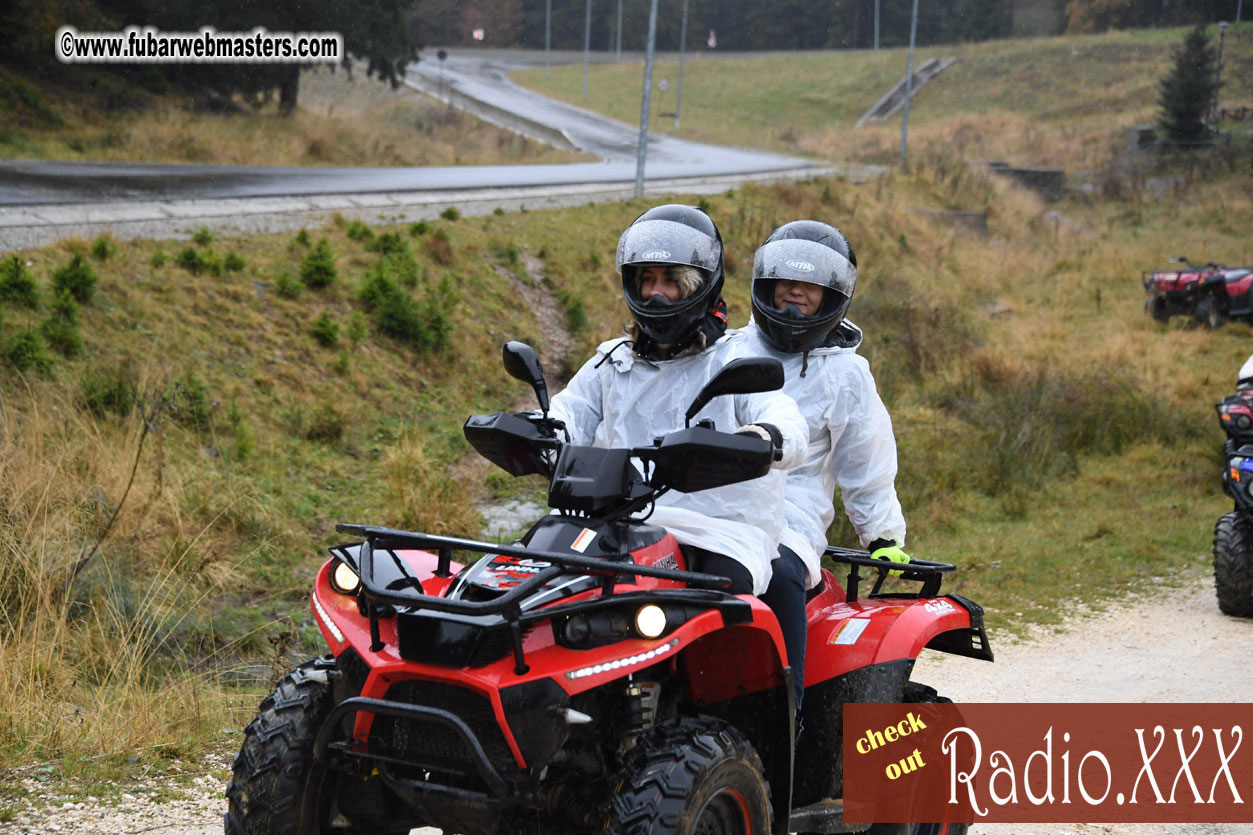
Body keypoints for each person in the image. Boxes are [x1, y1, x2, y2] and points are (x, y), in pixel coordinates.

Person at [545, 204, 810, 688]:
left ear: (700, 284)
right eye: (647, 279)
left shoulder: (735, 357)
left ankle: (741, 722)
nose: (656, 292)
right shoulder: (614, 360)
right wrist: (538, 430)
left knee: (717, 600)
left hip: (719, 531)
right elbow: (568, 412)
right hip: (621, 525)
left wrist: (763, 439)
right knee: (541, 575)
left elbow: (785, 420)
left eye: (672, 279)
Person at [738, 220, 910, 709]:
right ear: (765, 286)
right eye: (785, 281)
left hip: (791, 514)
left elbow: (866, 461)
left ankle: (788, 714)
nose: (794, 291)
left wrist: (881, 537)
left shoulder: (846, 373)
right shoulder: (729, 348)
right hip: (715, 500)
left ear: (831, 295)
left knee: (779, 575)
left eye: (809, 284)